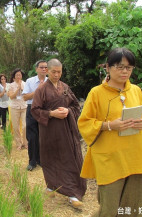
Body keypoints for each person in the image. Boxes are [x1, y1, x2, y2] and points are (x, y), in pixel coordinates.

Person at [78, 48, 142, 217]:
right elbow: (85, 122)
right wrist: (110, 125)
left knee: (133, 207)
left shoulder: (136, 91)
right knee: (109, 209)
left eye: (129, 67)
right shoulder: (96, 93)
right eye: (120, 67)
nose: (125, 71)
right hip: (109, 157)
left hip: (135, 156)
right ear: (108, 68)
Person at [31, 59, 86, 208]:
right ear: (47, 71)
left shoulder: (65, 87)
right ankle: (51, 186)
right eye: (54, 72)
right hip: (49, 131)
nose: (57, 74)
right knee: (50, 158)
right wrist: (51, 114)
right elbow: (35, 110)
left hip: (66, 131)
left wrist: (68, 111)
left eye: (59, 72)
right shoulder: (41, 89)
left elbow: (75, 106)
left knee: (70, 159)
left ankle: (73, 193)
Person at [22, 60, 48, 171]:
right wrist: (38, 90)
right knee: (32, 137)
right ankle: (32, 161)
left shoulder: (51, 81)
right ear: (36, 69)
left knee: (44, 136)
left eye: (46, 67)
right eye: (41, 67)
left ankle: (41, 160)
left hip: (46, 111)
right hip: (32, 110)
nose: (44, 69)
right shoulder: (30, 81)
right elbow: (25, 97)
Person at [8, 68, 27, 150]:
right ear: (14, 76)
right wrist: (18, 89)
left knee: (25, 126)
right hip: (14, 107)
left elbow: (27, 94)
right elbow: (11, 97)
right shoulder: (11, 85)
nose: (19, 76)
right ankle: (18, 143)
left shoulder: (25, 83)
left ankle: (25, 143)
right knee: (16, 127)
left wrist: (22, 88)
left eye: (20, 75)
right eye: (17, 75)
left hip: (24, 107)